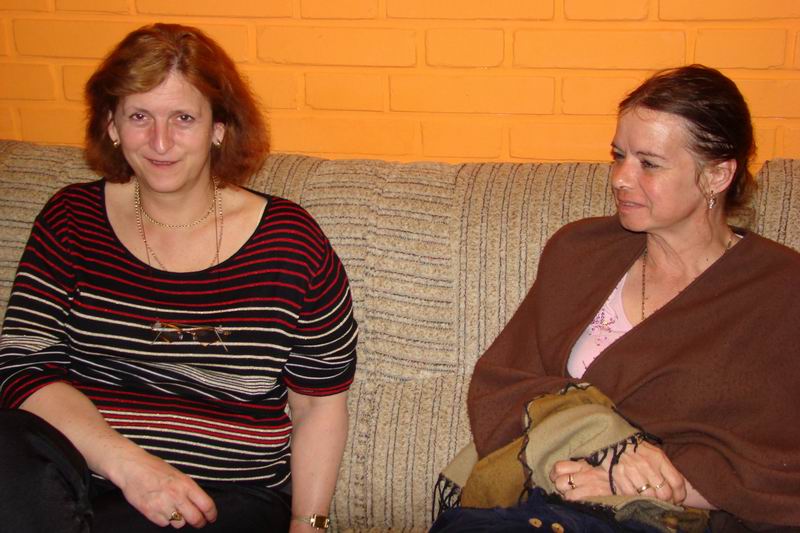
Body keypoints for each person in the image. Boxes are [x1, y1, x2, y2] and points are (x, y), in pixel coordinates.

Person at [0, 23, 357, 533]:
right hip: (81, 476)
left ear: (219, 128)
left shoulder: (290, 242)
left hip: (224, 499)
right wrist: (131, 466)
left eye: (183, 118)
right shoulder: (71, 220)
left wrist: (310, 523)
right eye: (139, 116)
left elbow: (318, 402)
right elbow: (24, 369)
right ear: (111, 124)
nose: (160, 141)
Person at [446, 65, 800, 531]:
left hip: (672, 517)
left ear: (716, 175)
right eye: (618, 156)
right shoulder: (579, 251)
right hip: (542, 491)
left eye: (648, 163)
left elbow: (778, 464)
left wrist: (637, 480)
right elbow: (501, 384)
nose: (620, 178)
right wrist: (600, 444)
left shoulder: (781, 289)